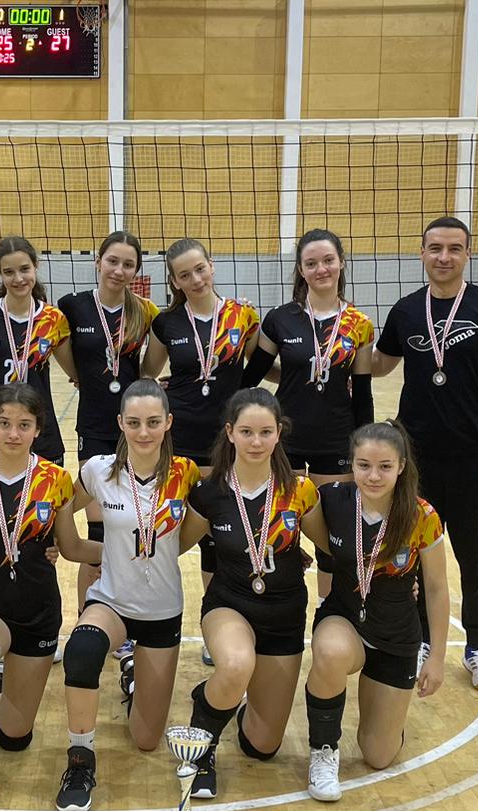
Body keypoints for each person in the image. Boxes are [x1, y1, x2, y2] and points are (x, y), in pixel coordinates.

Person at [372, 215, 478, 692]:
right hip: (415, 460)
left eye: (454, 248)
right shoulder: (405, 311)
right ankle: (421, 639)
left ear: (467, 254)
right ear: (421, 253)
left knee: (476, 558)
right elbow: (379, 364)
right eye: (435, 248)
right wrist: (330, 342)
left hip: (477, 457)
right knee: (416, 554)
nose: (444, 257)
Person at [55, 378, 201, 811]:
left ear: (168, 422)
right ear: (120, 423)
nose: (143, 432)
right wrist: (79, 549)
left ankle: (133, 673)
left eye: (153, 422)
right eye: (134, 422)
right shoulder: (98, 471)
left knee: (146, 739)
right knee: (82, 651)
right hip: (111, 602)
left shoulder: (186, 474)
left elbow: (190, 535)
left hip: (162, 611)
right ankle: (80, 761)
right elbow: (60, 507)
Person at [0, 383, 96, 805]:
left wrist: (134, 552)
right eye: (5, 423)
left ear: (38, 429)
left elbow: (71, 546)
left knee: (14, 736)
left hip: (37, 612)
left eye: (24, 425)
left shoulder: (55, 479)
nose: (13, 433)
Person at [178, 388, 321, 800]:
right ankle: (202, 747)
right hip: (229, 605)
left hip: (284, 616)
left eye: (265, 432)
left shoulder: (300, 491)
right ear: (230, 433)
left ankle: (218, 699)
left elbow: (337, 548)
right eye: (246, 432)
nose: (256, 442)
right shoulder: (209, 492)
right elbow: (172, 546)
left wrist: (399, 576)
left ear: (279, 433)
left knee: (263, 745)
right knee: (236, 664)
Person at [298, 421, 448, 801]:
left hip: (396, 635)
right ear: (351, 463)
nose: (373, 476)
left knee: (378, 755)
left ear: (401, 466)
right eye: (364, 465)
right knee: (330, 651)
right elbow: (291, 520)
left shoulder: (422, 516)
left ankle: (388, 721)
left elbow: (435, 588)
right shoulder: (331, 499)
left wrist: (437, 658)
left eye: (384, 466)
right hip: (344, 619)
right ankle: (323, 750)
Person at [144, 237, 261, 665]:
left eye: (199, 269)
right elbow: (147, 372)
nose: (195, 279)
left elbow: (258, 366)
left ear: (211, 266)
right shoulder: (167, 323)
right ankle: (150, 619)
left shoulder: (242, 316)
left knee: (218, 536)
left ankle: (217, 623)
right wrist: (159, 389)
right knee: (165, 529)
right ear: (174, 282)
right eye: (184, 275)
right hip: (179, 440)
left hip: (225, 440)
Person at [243, 228, 375, 600]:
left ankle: (328, 614)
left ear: (341, 263)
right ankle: (278, 610)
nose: (321, 269)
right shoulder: (280, 319)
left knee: (332, 538)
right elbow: (251, 378)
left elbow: (362, 393)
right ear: (301, 270)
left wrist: (365, 446)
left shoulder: (359, 325)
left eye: (328, 260)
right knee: (277, 531)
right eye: (311, 263)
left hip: (336, 440)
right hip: (284, 439)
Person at [57, 232, 161, 621]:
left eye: (128, 264)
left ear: (136, 271)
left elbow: (149, 370)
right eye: (112, 261)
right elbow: (66, 357)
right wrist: (82, 378)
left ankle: (131, 614)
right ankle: (89, 616)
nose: (119, 270)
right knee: (99, 529)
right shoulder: (72, 306)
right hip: (94, 425)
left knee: (133, 525)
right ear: (98, 262)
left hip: (136, 430)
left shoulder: (145, 312)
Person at [0, 236, 73, 466]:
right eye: (9, 272)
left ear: (36, 266)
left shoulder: (53, 319)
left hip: (40, 432)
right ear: (0, 273)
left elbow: (75, 372)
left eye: (24, 269)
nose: (18, 278)